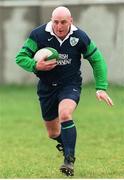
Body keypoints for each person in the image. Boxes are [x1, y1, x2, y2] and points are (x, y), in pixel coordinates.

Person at [16, 6, 113, 176]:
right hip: (46, 88)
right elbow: (20, 57)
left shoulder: (80, 37)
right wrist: (35, 65)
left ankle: (69, 160)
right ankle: (67, 143)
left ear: (71, 21)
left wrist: (101, 88)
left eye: (63, 22)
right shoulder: (38, 35)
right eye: (56, 22)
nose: (59, 26)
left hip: (70, 85)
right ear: (51, 21)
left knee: (65, 114)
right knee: (52, 132)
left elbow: (97, 60)